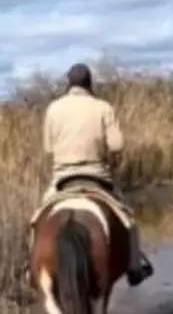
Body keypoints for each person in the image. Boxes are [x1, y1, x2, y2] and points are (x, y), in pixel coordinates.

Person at [38, 62, 154, 286]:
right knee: (128, 220)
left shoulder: (53, 108)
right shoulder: (103, 107)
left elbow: (48, 148)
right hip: (97, 176)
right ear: (89, 83)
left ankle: (29, 267)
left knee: (36, 219)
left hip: (63, 178)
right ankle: (134, 268)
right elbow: (117, 145)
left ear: (69, 83)